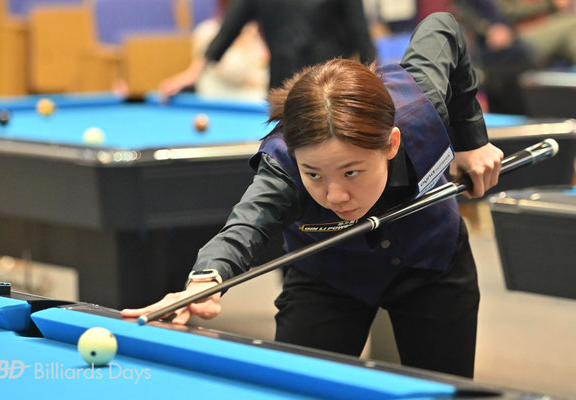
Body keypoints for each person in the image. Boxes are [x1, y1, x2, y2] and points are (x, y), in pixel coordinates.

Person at [123, 12, 504, 378]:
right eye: (314, 174)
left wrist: (471, 140)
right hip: (329, 276)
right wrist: (206, 278)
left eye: (351, 172)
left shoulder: (420, 106)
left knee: (445, 391)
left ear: (391, 144)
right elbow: (246, 225)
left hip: (432, 261)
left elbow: (443, 26)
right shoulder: (283, 165)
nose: (335, 195)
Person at [159, 0, 376, 101]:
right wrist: (192, 73)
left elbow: (362, 37)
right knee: (281, 158)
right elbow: (226, 33)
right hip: (282, 92)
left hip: (329, 90)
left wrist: (373, 84)